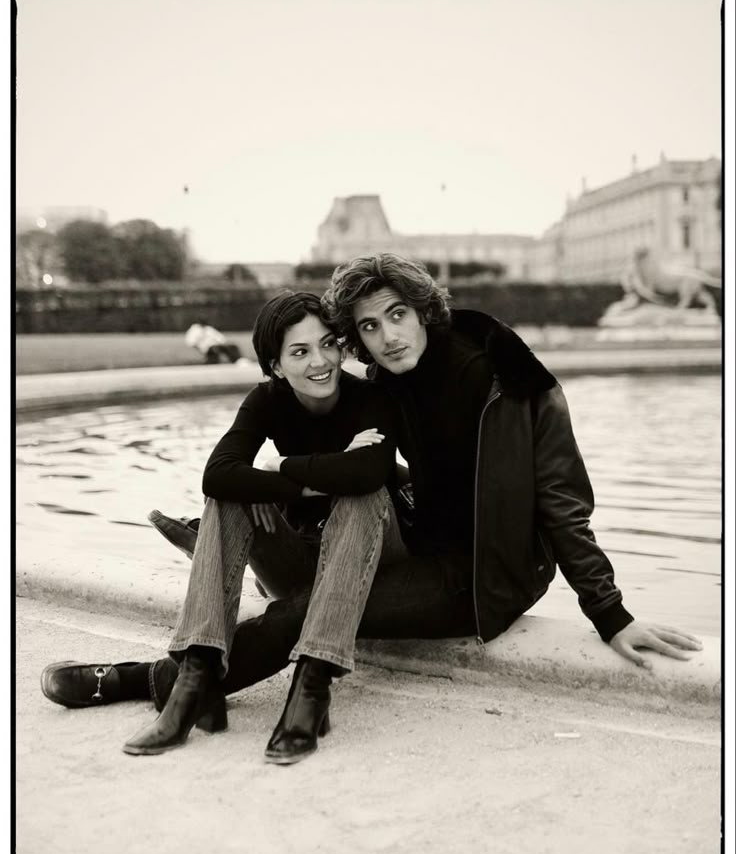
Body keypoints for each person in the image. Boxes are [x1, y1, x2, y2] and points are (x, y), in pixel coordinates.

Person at [42, 255, 702, 747]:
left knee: (302, 612)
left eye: (396, 315)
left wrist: (610, 611)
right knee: (304, 525)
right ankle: (220, 555)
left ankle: (141, 680)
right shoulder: (387, 380)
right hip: (413, 540)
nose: (387, 336)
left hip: (479, 574)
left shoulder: (515, 384)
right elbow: (350, 454)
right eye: (368, 326)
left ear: (422, 309)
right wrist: (286, 479)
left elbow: (563, 504)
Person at [44, 290, 404, 764]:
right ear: (275, 366)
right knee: (229, 494)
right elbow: (217, 473)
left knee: (361, 495)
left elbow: (368, 474)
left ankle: (313, 685)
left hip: (374, 557)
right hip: (303, 558)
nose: (321, 361)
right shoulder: (267, 401)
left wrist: (281, 469)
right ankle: (196, 676)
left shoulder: (370, 397)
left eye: (329, 344)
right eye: (300, 352)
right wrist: (294, 484)